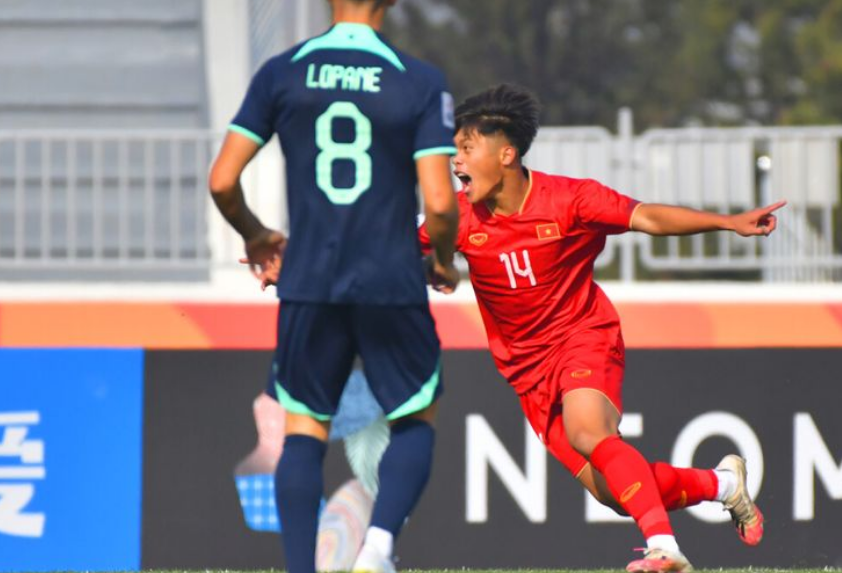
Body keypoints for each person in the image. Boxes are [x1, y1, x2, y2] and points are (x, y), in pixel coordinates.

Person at [420, 84, 783, 573]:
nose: (456, 161)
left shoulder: (571, 200)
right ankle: (722, 485)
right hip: (527, 371)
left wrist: (726, 222)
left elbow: (646, 217)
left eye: (467, 148)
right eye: (455, 150)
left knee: (588, 431)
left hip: (583, 336)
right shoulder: (458, 217)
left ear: (506, 154)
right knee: (614, 494)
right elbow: (395, 247)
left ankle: (664, 547)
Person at [208, 1, 460, 572]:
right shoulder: (418, 80)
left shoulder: (283, 72)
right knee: (415, 415)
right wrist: (443, 260)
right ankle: (377, 548)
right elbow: (441, 204)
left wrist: (256, 236)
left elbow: (222, 180)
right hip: (391, 278)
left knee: (303, 428)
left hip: (309, 279)